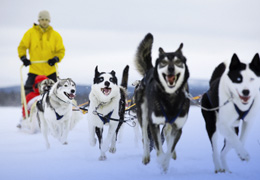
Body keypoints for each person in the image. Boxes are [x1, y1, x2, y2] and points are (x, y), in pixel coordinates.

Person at [18, 10, 65, 95]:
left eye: (46, 20)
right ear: (39, 20)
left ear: (49, 21)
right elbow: (22, 47)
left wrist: (56, 58)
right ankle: (27, 106)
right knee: (28, 91)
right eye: (42, 19)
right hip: (34, 70)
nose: (44, 22)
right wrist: (23, 58)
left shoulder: (55, 35)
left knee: (56, 93)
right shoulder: (30, 33)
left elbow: (61, 50)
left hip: (50, 70)